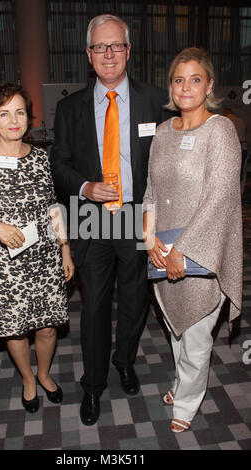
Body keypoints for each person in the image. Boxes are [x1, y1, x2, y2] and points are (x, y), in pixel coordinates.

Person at [50, 14, 169, 425]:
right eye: (100, 47)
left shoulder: (156, 101)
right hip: (91, 218)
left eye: (116, 45)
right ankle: (94, 385)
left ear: (128, 50)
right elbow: (58, 163)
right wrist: (84, 187)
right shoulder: (69, 108)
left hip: (138, 215)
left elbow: (168, 162)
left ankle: (125, 361)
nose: (109, 54)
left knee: (136, 301)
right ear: (88, 54)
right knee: (96, 304)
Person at [0, 83, 74, 413]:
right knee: (14, 330)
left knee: (48, 326)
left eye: (19, 112)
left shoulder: (39, 158)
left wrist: (64, 248)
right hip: (3, 266)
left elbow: (52, 206)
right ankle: (28, 379)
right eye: (4, 113)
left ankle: (44, 374)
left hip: (45, 257)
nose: (13, 120)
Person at [143, 48, 242, 433]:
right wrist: (147, 236)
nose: (186, 87)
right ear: (171, 86)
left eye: (195, 79)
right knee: (176, 327)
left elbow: (219, 196)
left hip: (201, 251)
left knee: (198, 333)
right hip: (161, 247)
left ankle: (186, 403)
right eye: (178, 79)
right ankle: (182, 382)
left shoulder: (221, 130)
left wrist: (183, 249)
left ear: (210, 85)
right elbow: (151, 190)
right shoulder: (163, 132)